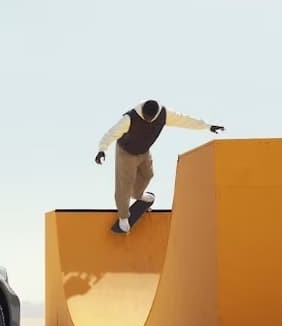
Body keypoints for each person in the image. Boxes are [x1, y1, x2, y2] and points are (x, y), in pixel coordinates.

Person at [94, 99, 223, 232]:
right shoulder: (129, 118)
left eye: (151, 118)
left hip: (144, 151)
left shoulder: (164, 114)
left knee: (148, 175)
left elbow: (185, 120)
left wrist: (207, 126)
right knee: (124, 184)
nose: (148, 120)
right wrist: (102, 150)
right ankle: (123, 218)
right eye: (146, 118)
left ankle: (137, 195)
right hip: (126, 153)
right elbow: (111, 133)